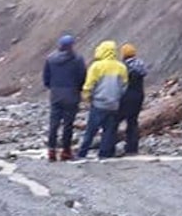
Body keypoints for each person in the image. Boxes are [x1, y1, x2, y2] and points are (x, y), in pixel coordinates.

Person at [77, 40, 128, 160]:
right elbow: (124, 86)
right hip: (114, 104)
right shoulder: (121, 67)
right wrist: (117, 97)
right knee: (109, 131)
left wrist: (86, 97)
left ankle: (82, 153)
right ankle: (104, 154)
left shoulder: (97, 66)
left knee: (91, 130)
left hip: (99, 103)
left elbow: (89, 85)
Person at [42, 34, 86, 162]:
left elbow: (46, 78)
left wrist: (54, 88)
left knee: (54, 124)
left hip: (56, 95)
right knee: (68, 124)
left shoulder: (50, 59)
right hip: (72, 95)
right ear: (71, 45)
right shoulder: (77, 59)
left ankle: (51, 151)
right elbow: (82, 76)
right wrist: (78, 89)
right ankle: (66, 151)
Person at [117, 43, 148, 155]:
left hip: (126, 97)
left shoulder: (123, 66)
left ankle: (108, 145)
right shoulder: (140, 64)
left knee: (115, 121)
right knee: (133, 122)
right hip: (139, 96)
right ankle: (132, 148)